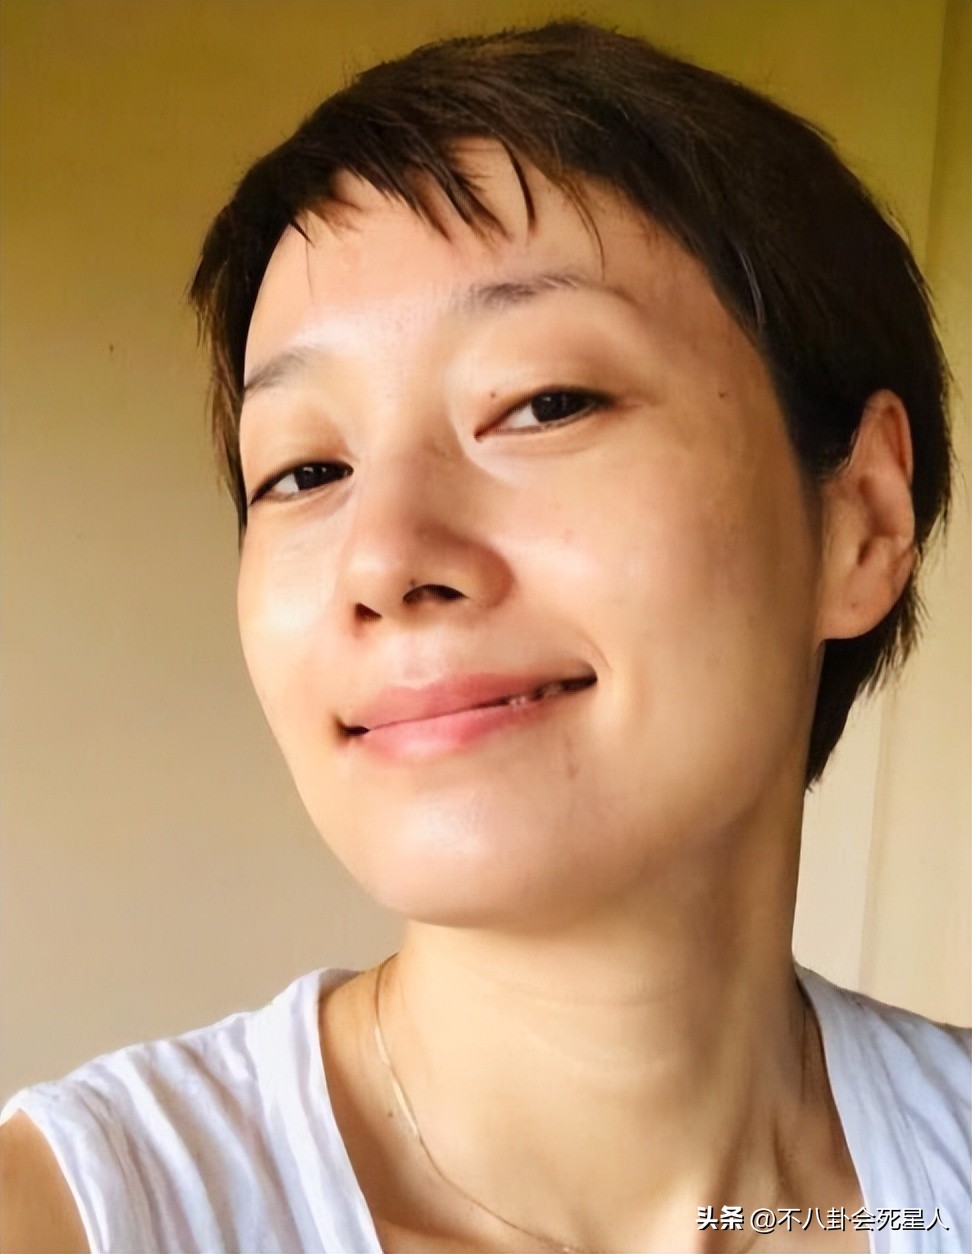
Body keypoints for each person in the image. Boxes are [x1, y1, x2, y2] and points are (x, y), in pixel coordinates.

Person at [1, 18, 969, 1254]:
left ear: (862, 520)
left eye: (543, 403)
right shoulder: (73, 1220)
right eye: (304, 471)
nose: (386, 559)